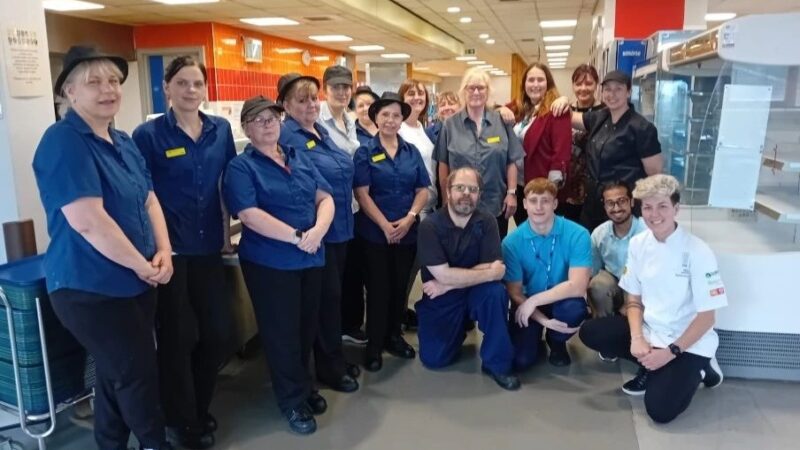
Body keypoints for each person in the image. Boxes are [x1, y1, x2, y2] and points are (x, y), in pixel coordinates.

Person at [32, 46, 173, 450]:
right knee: (137, 373)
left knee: (117, 373)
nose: (107, 89)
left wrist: (163, 250)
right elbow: (88, 221)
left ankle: (110, 443)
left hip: (136, 280)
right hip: (89, 288)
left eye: (113, 80)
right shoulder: (63, 141)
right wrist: (142, 266)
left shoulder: (122, 139)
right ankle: (153, 443)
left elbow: (148, 199)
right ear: (69, 93)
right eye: (93, 82)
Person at [132, 55, 235, 449]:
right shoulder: (148, 135)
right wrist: (158, 248)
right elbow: (143, 196)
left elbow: (226, 185)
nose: (191, 91)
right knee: (177, 338)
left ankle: (197, 406)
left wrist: (226, 235)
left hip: (209, 248)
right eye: (183, 83)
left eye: (197, 84)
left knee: (218, 333)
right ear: (167, 88)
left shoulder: (220, 130)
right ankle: (180, 420)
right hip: (170, 254)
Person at [223, 96, 334, 435]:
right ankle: (291, 400)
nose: (268, 123)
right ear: (246, 128)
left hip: (310, 256)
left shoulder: (298, 157)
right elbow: (249, 215)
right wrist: (298, 236)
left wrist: (316, 232)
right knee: (281, 333)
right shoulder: (241, 168)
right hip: (271, 264)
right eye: (258, 119)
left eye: (273, 117)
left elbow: (325, 198)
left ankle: (303, 385)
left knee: (305, 327)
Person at [579, 174, 725, 424]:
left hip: (686, 340)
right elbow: (633, 300)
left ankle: (702, 368)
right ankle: (651, 363)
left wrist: (669, 353)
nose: (654, 214)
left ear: (676, 209)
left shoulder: (698, 251)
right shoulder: (639, 244)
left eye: (662, 206)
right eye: (648, 207)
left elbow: (707, 317)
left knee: (660, 411)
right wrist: (637, 338)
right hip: (649, 330)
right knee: (592, 332)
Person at [277, 73, 360, 393]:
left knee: (334, 299)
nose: (311, 104)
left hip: (340, 228)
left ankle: (333, 358)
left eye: (313, 98)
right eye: (302, 100)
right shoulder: (287, 136)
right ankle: (328, 368)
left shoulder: (321, 130)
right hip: (315, 234)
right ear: (285, 105)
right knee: (324, 302)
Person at [415, 167, 520, 391]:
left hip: (472, 291)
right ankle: (461, 325)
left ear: (479, 194)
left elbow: (494, 266)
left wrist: (447, 281)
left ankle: (497, 363)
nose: (466, 194)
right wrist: (487, 273)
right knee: (435, 359)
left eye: (473, 189)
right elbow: (489, 270)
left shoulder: (488, 221)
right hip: (442, 297)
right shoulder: (430, 226)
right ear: (448, 191)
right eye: (460, 188)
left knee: (496, 294)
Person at [353, 92, 430, 372]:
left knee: (400, 288)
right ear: (376, 117)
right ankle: (374, 344)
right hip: (375, 235)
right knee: (377, 289)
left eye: (396, 115)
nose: (390, 120)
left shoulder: (411, 151)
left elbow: (423, 188)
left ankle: (394, 337)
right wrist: (385, 225)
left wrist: (409, 219)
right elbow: (362, 193)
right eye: (384, 114)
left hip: (407, 233)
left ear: (402, 119)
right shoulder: (364, 152)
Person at [503, 178, 591, 369]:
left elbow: (578, 286)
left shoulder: (578, 234)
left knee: (575, 309)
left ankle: (557, 341)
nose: (539, 207)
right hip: (527, 301)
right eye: (533, 201)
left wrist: (535, 301)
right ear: (525, 204)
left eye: (546, 201)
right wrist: (541, 318)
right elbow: (515, 292)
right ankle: (537, 334)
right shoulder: (511, 243)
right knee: (521, 360)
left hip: (562, 297)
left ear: (555, 204)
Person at [565, 70, 663, 232]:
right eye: (608, 89)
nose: (612, 94)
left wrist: (651, 210)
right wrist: (562, 100)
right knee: (591, 249)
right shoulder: (599, 117)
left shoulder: (642, 127)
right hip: (593, 205)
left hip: (622, 208)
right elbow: (570, 118)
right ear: (602, 92)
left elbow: (654, 173)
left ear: (629, 92)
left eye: (618, 89)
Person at [434, 67, 523, 237]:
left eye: (481, 88)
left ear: (488, 92)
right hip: (459, 205)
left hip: (494, 204)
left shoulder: (501, 121)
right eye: (471, 87)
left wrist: (512, 193)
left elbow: (511, 161)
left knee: (493, 255)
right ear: (464, 91)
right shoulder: (450, 125)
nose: (476, 92)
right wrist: (446, 199)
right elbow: (443, 164)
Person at [510, 62, 572, 227]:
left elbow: (561, 153)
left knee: (542, 234)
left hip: (541, 190)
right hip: (520, 186)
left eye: (540, 80)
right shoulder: (523, 110)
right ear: (524, 84)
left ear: (548, 83)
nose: (535, 84)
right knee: (526, 234)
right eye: (531, 80)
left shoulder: (556, 109)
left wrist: (550, 192)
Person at [341, 84, 379, 345]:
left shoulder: (390, 132)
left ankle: (384, 321)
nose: (365, 108)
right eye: (360, 104)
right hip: (359, 213)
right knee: (355, 272)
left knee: (379, 276)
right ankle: (352, 324)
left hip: (390, 213)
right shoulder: (352, 135)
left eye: (370, 104)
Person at [589, 181, 647, 320]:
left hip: (641, 285)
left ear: (631, 202)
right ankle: (605, 327)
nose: (616, 208)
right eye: (610, 203)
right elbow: (594, 270)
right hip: (614, 282)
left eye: (621, 201)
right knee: (597, 286)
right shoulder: (599, 233)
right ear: (605, 206)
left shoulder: (646, 231)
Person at [557, 64, 604, 222]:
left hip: (596, 185)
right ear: (573, 86)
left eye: (589, 83)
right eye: (578, 84)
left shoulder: (606, 112)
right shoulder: (563, 110)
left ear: (596, 85)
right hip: (567, 186)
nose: (583, 88)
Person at [398, 79, 437, 217]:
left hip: (431, 206)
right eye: (411, 94)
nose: (416, 97)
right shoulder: (398, 131)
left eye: (420, 93)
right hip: (412, 210)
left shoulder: (423, 129)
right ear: (402, 99)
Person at [317, 65, 361, 155]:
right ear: (325, 91)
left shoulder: (350, 122)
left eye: (345, 87)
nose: (341, 93)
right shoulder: (316, 118)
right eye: (335, 87)